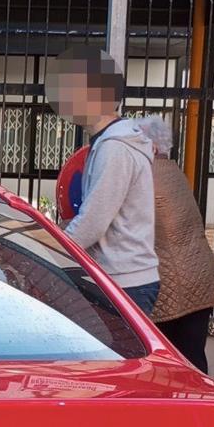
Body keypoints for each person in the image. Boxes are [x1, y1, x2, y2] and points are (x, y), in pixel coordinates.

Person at [44, 46, 160, 316]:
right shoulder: (109, 143)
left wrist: (46, 252)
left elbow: (92, 223)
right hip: (122, 277)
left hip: (125, 281)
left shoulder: (115, 148)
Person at [138, 115, 214, 372]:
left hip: (174, 287)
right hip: (200, 279)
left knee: (166, 365)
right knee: (193, 360)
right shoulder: (174, 172)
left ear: (151, 147)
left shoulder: (147, 177)